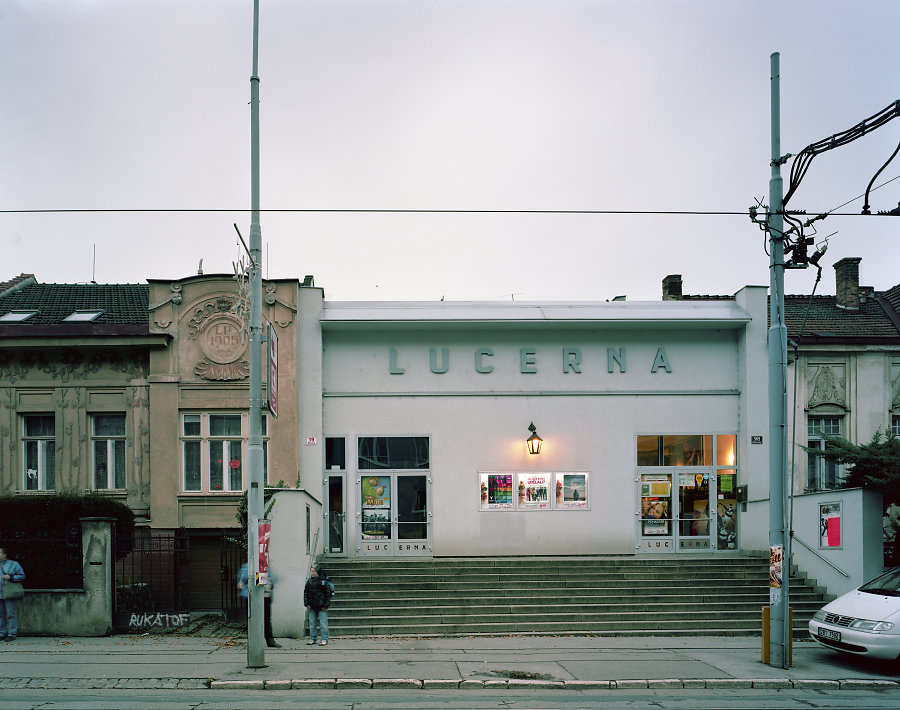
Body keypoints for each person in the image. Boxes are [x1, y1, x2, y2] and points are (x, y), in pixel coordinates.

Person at [236, 562, 281, 648]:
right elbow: (244, 578)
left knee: (267, 619)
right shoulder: (248, 566)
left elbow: (274, 579)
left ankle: (270, 641)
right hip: (253, 597)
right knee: (253, 619)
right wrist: (257, 575)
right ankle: (255, 641)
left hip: (266, 596)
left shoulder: (267, 567)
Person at [0, 547, 26, 642]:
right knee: (0, 614)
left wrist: (11, 577)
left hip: (10, 592)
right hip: (0, 593)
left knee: (11, 614)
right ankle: (1, 633)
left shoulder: (13, 564)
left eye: (0, 553)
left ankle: (12, 634)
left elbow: (22, 575)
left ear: (5, 554)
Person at [303, 564, 333, 646]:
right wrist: (307, 603)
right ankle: (313, 638)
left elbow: (328, 594)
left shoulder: (323, 582)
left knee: (323, 624)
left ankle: (324, 639)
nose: (312, 573)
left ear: (317, 572)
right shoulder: (309, 581)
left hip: (321, 606)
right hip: (312, 606)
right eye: (311, 571)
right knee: (312, 624)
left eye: (313, 571)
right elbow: (306, 593)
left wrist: (326, 605)